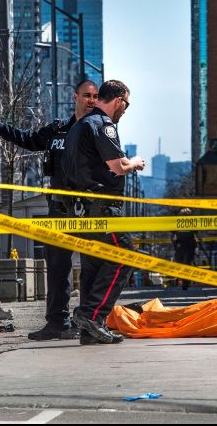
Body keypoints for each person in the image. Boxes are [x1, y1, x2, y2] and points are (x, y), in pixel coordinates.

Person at [0, 80, 99, 341]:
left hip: (89, 208)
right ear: (75, 96)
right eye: (86, 95)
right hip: (59, 208)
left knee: (92, 265)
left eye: (96, 97)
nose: (91, 100)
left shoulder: (98, 130)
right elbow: (29, 140)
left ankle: (89, 321)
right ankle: (57, 323)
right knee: (57, 266)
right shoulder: (57, 130)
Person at [61, 79, 146, 345]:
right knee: (123, 256)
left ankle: (89, 330)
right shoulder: (102, 125)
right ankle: (91, 316)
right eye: (126, 105)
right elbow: (118, 166)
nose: (125, 111)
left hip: (81, 210)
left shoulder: (78, 126)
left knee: (94, 266)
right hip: (102, 209)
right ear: (119, 101)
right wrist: (135, 162)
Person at [171, 208, 198, 290]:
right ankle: (182, 280)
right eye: (183, 215)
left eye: (187, 215)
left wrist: (197, 245)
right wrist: (175, 244)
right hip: (180, 246)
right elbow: (172, 234)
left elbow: (196, 234)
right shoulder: (177, 223)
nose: (185, 216)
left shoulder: (193, 223)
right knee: (180, 264)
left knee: (187, 263)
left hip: (189, 246)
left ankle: (185, 282)